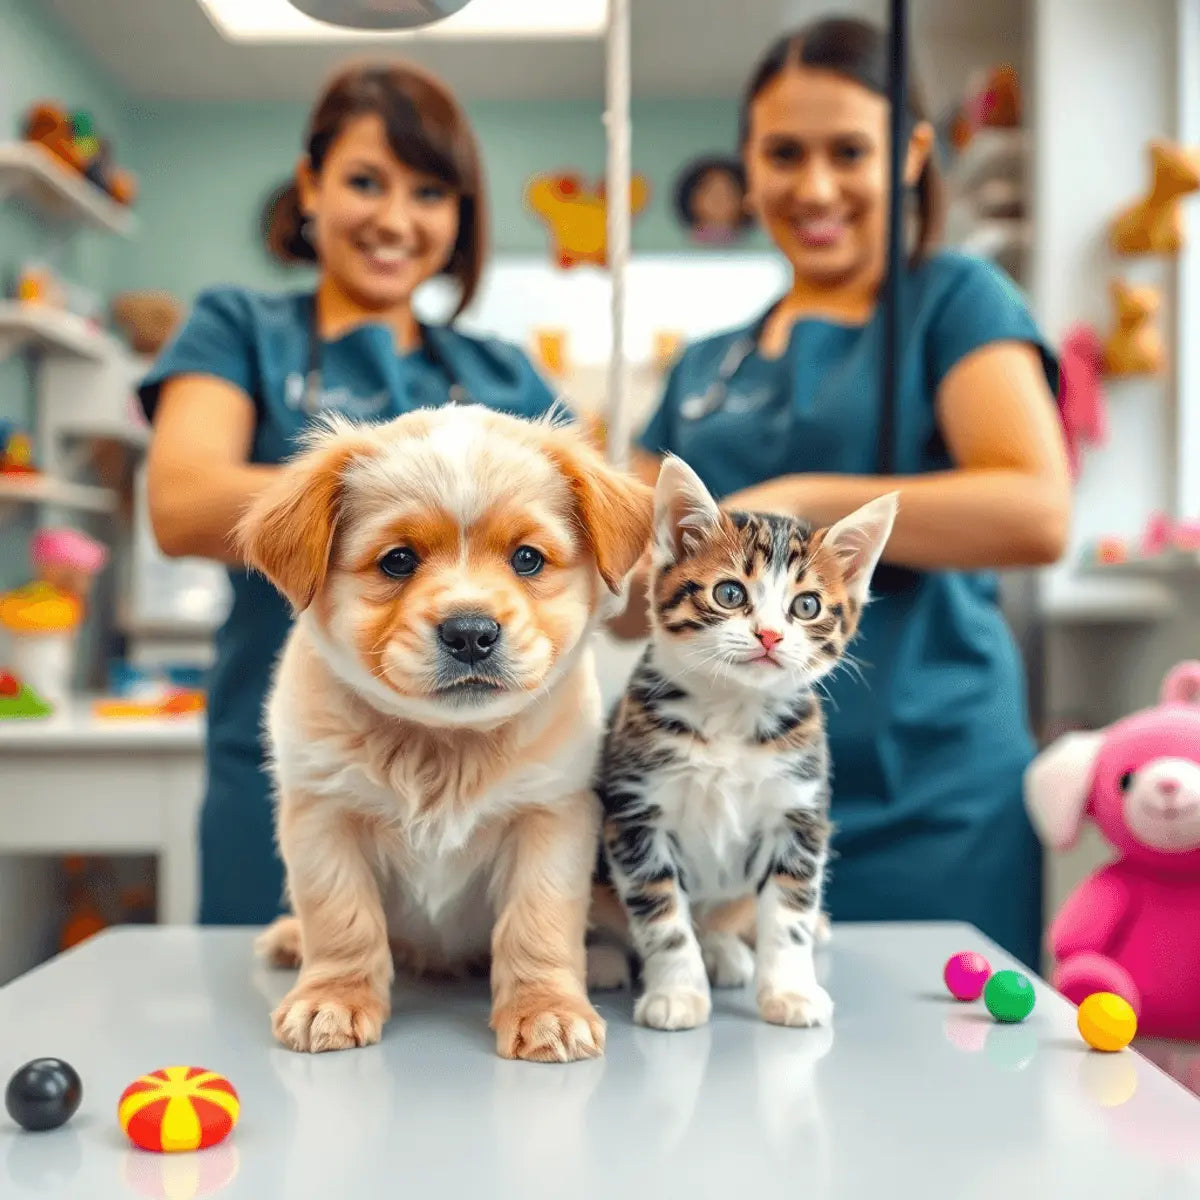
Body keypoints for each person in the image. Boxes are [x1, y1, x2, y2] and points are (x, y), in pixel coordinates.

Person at [614, 17, 1072, 969]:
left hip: (930, 795)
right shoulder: (709, 364)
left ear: (909, 154)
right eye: (784, 153)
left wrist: (798, 500)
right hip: (715, 816)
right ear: (748, 161)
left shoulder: (957, 300)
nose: (815, 187)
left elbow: (1036, 511)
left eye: (847, 151)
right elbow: (626, 570)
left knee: (943, 1092)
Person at [138, 62, 559, 925]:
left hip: (487, 786)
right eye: (366, 181)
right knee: (279, 1015)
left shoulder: (500, 371)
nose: (395, 220)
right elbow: (181, 502)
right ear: (310, 188)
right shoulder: (238, 327)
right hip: (292, 765)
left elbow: (587, 549)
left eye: (431, 192)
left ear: (460, 217)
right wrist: (381, 502)